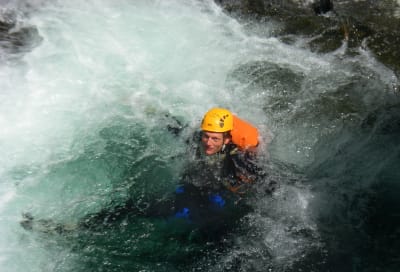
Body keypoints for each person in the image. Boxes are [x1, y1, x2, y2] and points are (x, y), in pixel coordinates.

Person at [20, 107, 264, 234]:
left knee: (216, 233)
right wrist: (148, 110)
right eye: (205, 137)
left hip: (218, 196)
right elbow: (176, 127)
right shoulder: (197, 141)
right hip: (192, 188)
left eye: (214, 139)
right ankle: (73, 226)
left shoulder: (239, 158)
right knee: (135, 207)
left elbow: (267, 181)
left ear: (227, 138)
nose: (208, 143)